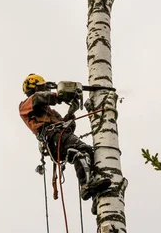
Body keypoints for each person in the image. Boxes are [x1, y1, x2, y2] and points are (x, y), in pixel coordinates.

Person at [19, 73, 111, 201]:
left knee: (87, 152)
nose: (45, 90)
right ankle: (85, 185)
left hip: (58, 137)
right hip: (51, 137)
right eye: (42, 87)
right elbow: (39, 98)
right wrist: (60, 96)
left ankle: (95, 195)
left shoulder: (51, 112)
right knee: (80, 150)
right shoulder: (26, 104)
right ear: (33, 88)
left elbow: (67, 126)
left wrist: (71, 112)